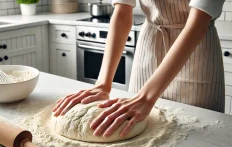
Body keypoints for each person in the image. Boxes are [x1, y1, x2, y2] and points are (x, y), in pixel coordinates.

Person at [53, 0, 226, 138]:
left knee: (198, 133)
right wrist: (103, 83)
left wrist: (145, 97)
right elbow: (122, 12)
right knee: (133, 130)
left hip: (196, 52)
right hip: (149, 46)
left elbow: (198, 23)